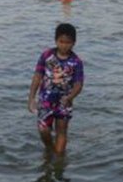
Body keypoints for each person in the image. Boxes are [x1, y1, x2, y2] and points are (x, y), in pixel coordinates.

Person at [28, 23, 84, 155]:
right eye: (61, 41)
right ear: (56, 40)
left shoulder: (76, 61)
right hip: (46, 101)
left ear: (74, 43)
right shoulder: (47, 56)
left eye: (68, 42)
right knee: (43, 130)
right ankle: (49, 148)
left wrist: (70, 97)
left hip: (64, 102)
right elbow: (37, 76)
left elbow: (78, 84)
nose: (64, 45)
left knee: (62, 130)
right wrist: (31, 98)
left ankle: (58, 159)